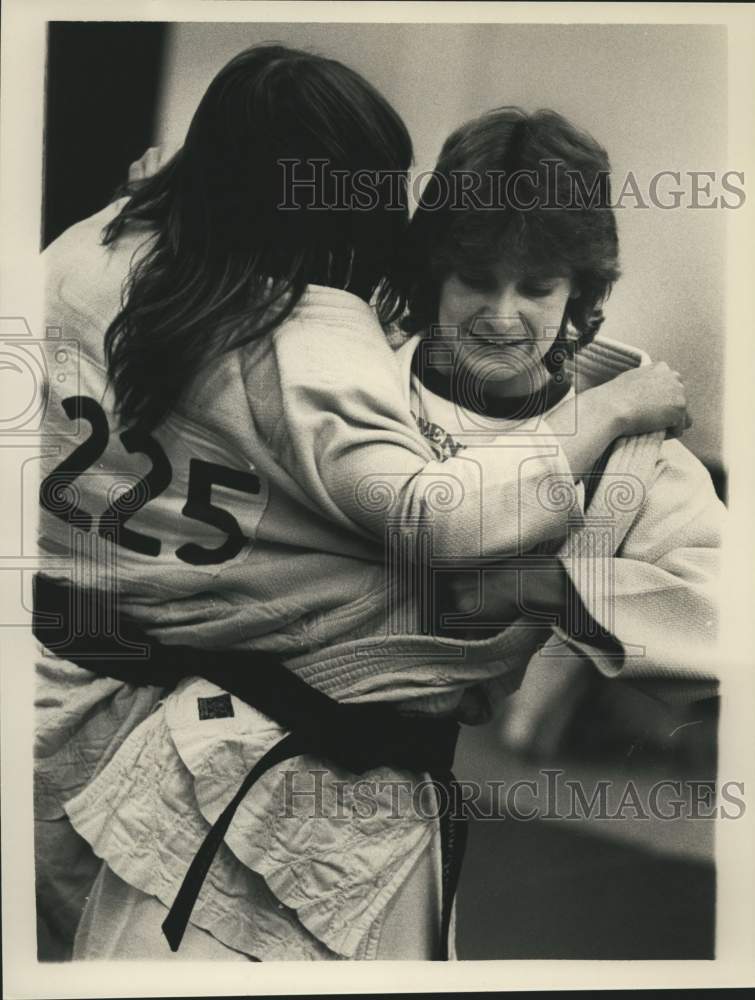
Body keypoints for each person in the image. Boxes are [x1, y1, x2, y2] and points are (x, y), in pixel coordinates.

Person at [33, 46, 716, 962]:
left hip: (371, 825)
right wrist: (178, 198)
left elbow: (725, 612)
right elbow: (431, 510)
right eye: (473, 278)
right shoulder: (346, 370)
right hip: (192, 767)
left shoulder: (632, 450)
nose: (501, 315)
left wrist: (557, 592)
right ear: (426, 269)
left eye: (538, 287)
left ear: (582, 293)